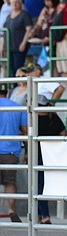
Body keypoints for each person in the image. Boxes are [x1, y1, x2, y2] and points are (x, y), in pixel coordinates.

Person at [0, 84, 28, 222]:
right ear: (6, 93)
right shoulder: (17, 107)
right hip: (11, 150)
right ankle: (11, 210)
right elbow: (25, 131)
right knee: (10, 182)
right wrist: (28, 152)